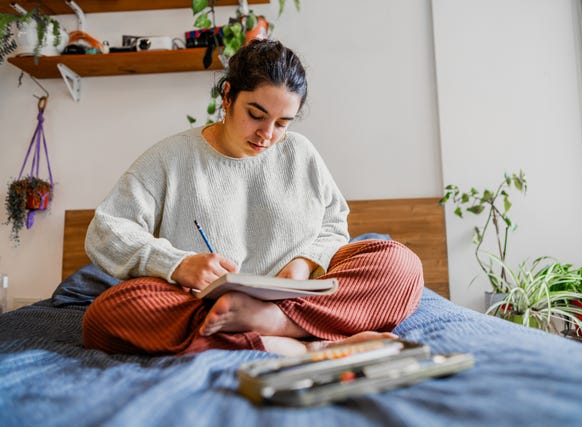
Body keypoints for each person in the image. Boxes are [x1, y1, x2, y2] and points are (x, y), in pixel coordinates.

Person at [82, 39, 424, 357]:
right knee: (107, 314)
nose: (267, 134)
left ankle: (274, 323)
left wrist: (305, 262)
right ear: (227, 97)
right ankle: (303, 345)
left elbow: (334, 223)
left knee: (400, 264)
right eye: (256, 115)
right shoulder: (170, 157)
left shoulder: (301, 153)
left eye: (282, 123)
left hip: (294, 298)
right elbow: (106, 231)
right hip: (205, 305)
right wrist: (178, 264)